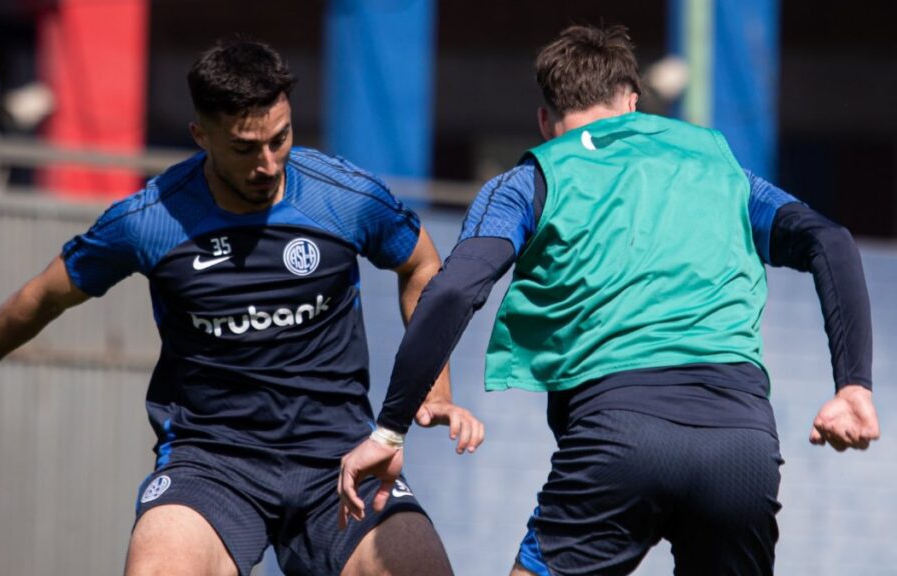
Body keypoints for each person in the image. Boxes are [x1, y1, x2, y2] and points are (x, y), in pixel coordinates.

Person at [0, 39, 484, 576]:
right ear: (202, 136)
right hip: (213, 463)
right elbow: (41, 298)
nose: (269, 164)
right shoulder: (149, 221)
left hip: (339, 459)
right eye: (247, 148)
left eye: (281, 139)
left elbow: (423, 265)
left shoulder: (344, 198)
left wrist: (432, 385)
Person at [338, 24, 880, 576]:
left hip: (616, 439)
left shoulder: (533, 179)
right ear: (633, 102)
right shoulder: (718, 165)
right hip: (741, 446)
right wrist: (853, 384)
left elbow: (453, 287)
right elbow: (830, 240)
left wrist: (391, 427)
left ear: (546, 120)